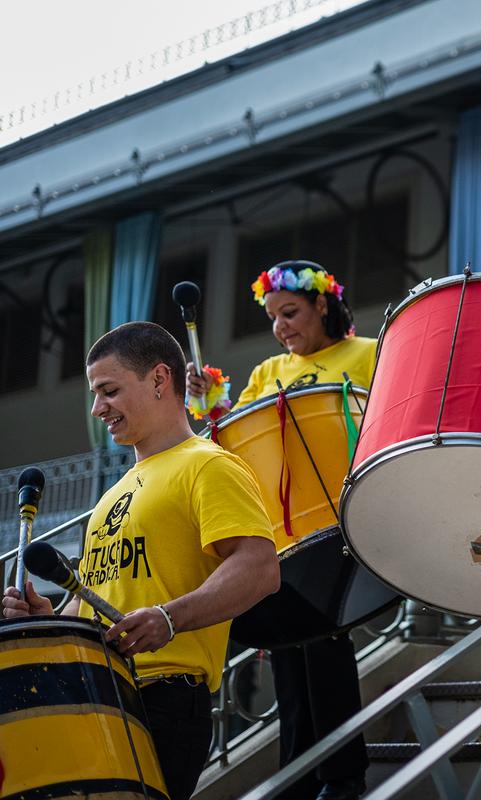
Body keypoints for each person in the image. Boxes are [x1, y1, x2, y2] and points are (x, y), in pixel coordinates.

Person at [2, 321, 280, 800]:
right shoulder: (112, 496)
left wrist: (169, 619)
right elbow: (97, 597)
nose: (97, 409)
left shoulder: (208, 464)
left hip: (164, 698)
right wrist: (54, 622)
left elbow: (259, 567)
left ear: (158, 379)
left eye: (109, 391)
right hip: (96, 694)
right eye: (95, 394)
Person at [187, 260, 374, 800]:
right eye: (272, 317)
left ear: (323, 305)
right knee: (292, 648)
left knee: (325, 642)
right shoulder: (270, 370)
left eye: (290, 312)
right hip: (282, 530)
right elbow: (239, 433)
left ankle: (340, 776)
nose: (281, 326)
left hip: (341, 517)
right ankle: (302, 775)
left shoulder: (363, 355)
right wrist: (210, 400)